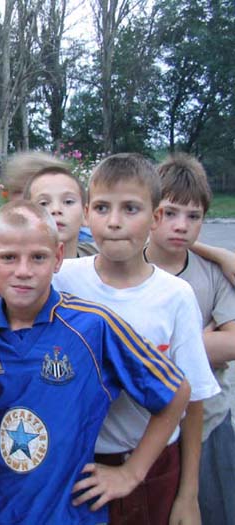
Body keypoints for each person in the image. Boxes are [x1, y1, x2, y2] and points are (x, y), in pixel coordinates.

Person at [0, 200, 191, 524]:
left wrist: (131, 473)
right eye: (8, 258)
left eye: (38, 257)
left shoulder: (92, 326)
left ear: (57, 258)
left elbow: (177, 391)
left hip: (67, 514)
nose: (23, 270)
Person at [48, 153, 220, 524]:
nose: (114, 221)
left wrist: (188, 495)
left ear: (155, 217)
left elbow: (193, 401)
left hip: (153, 470)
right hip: (75, 467)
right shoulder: (60, 280)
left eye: (130, 208)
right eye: (102, 208)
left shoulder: (175, 296)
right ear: (87, 214)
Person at [145, 153, 235, 524]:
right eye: (169, 212)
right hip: (144, 428)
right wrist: (205, 340)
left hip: (210, 421)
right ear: (151, 211)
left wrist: (158, 348)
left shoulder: (213, 273)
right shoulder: (127, 264)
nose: (181, 225)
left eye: (194, 216)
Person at [22, 159, 97, 258]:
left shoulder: (101, 259)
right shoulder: (16, 265)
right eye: (43, 203)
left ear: (86, 214)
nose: (56, 209)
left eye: (68, 202)